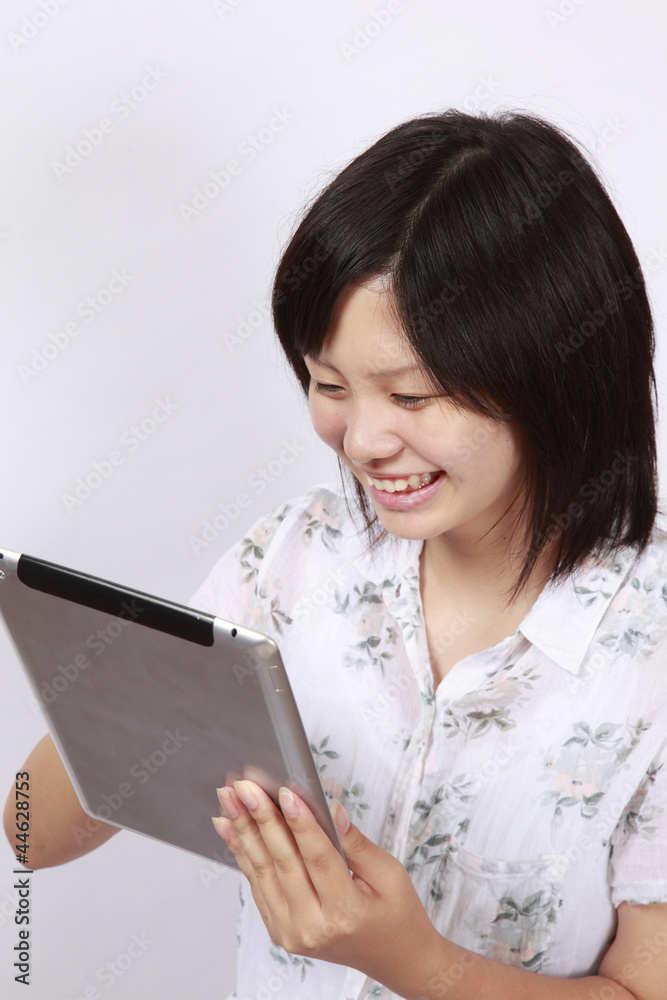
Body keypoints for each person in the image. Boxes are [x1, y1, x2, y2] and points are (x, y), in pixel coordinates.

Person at [5, 109, 667, 1000]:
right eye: (328, 384)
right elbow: (25, 832)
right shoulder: (293, 560)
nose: (360, 441)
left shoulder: (650, 653)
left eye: (411, 396)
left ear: (556, 376)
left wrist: (411, 961)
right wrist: (127, 695)